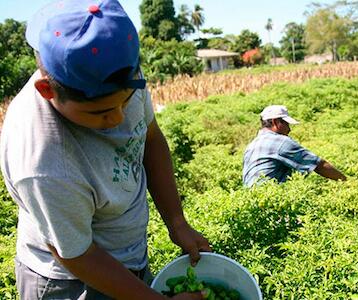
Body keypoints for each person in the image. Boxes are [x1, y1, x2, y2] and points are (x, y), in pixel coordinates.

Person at [0, 0, 211, 299]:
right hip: (70, 281)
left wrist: (177, 222)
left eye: (125, 102)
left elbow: (150, 138)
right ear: (48, 91)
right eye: (100, 113)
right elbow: (75, 254)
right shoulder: (43, 162)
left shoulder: (120, 74)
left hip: (127, 260)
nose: (118, 119)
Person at [242, 105, 347, 186]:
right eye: (286, 124)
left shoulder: (252, 144)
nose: (289, 129)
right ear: (275, 122)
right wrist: (346, 182)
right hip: (271, 203)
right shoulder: (280, 142)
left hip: (252, 200)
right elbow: (319, 166)